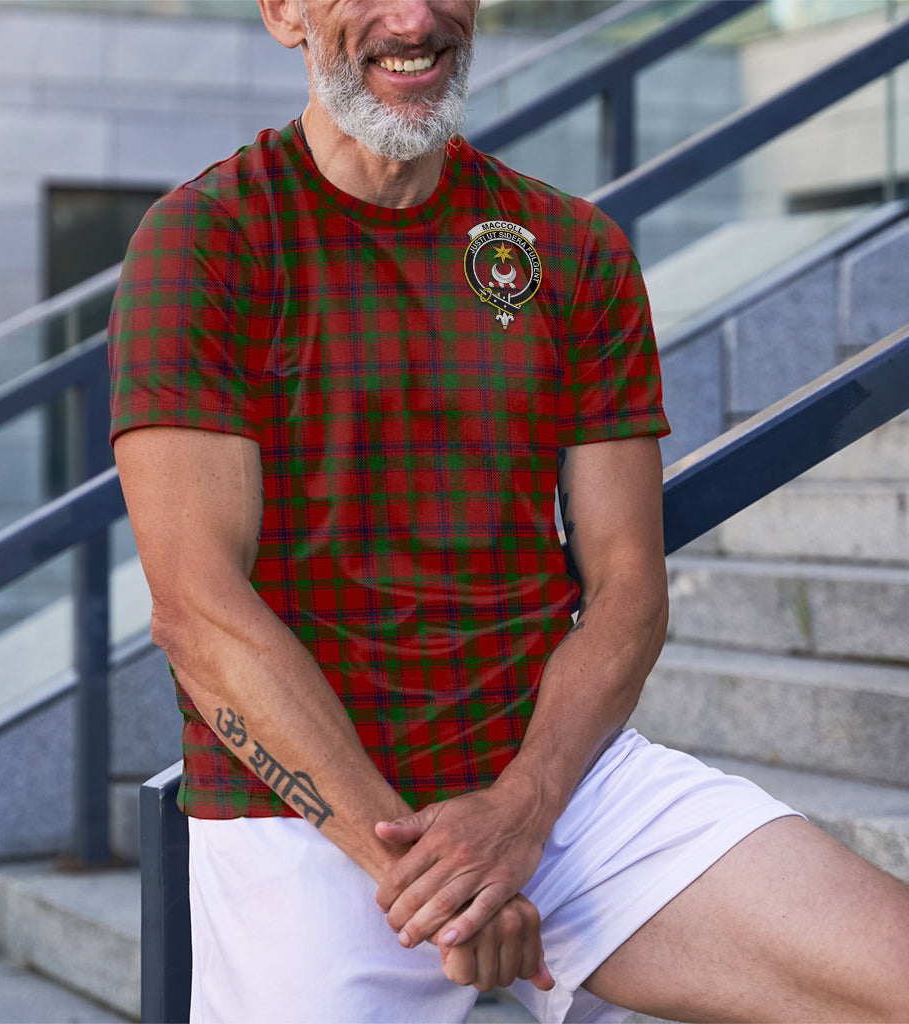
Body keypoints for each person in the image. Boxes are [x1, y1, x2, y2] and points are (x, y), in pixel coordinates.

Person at [109, 1, 909, 1020]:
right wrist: (433, 876)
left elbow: (627, 588)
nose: (414, 18)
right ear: (284, 12)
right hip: (306, 809)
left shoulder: (571, 245)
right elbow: (197, 612)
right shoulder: (207, 239)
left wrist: (522, 813)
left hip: (553, 785)